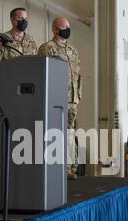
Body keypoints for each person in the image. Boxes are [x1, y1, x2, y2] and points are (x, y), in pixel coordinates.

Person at [38, 17, 82, 180]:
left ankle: (70, 167)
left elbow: (78, 74)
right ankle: (55, 168)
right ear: (55, 29)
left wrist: (78, 95)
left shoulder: (73, 50)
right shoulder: (47, 48)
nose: (67, 30)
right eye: (64, 27)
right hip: (55, 98)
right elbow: (43, 73)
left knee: (70, 133)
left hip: (72, 99)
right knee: (55, 132)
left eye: (68, 27)